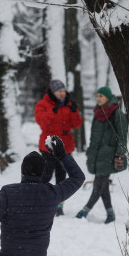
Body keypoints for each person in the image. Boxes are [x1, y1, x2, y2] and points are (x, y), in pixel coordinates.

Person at [75, 86, 129, 224]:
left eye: (101, 96)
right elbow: (95, 136)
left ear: (108, 98)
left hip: (109, 155)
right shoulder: (98, 113)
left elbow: (123, 137)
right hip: (98, 155)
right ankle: (110, 214)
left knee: (98, 184)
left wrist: (119, 154)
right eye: (97, 95)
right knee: (103, 185)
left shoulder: (117, 114)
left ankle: (84, 211)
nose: (98, 98)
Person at [34, 79, 83, 216]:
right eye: (59, 91)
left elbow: (77, 124)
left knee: (62, 177)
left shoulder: (68, 104)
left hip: (65, 145)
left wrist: (74, 111)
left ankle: (58, 206)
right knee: (46, 175)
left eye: (63, 90)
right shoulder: (42, 104)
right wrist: (53, 110)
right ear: (52, 92)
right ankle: (38, 201)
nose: (62, 93)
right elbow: (42, 123)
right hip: (48, 145)